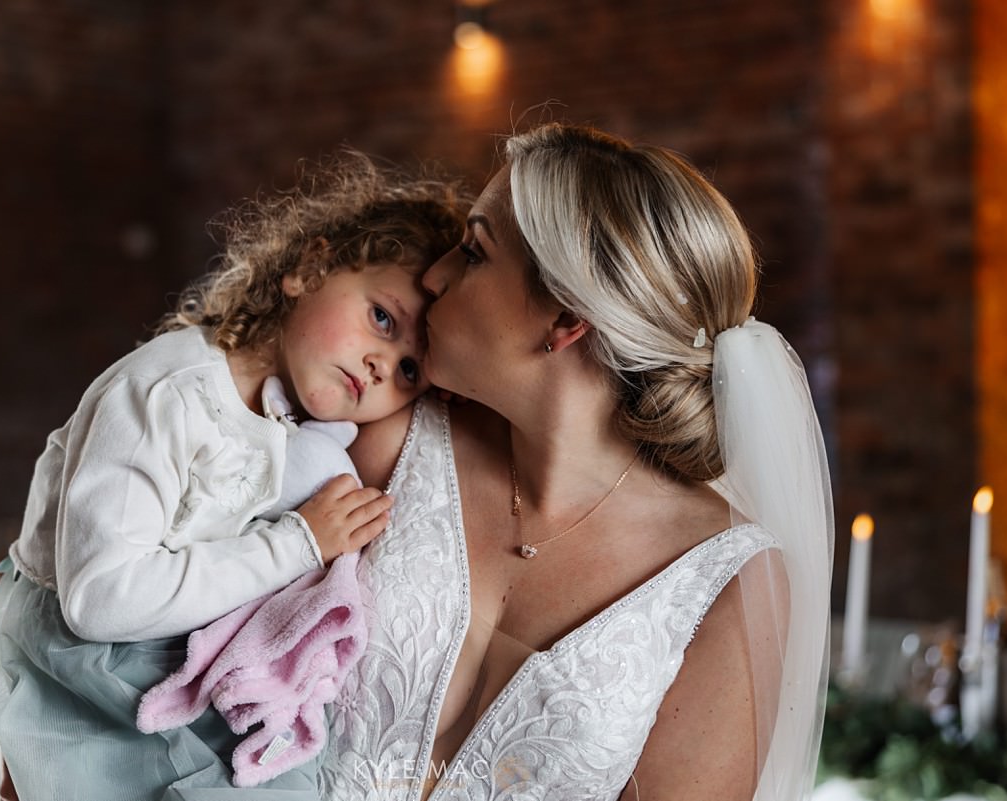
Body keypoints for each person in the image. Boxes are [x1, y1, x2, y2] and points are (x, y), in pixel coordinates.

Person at [327, 123, 834, 801]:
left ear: (566, 320)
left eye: (474, 252)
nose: (435, 273)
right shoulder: (389, 437)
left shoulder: (725, 582)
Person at [0, 150, 469, 801]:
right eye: (382, 318)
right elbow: (101, 596)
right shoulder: (166, 392)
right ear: (307, 269)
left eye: (410, 368)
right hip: (78, 666)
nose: (383, 364)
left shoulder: (287, 419)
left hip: (165, 658)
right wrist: (297, 542)